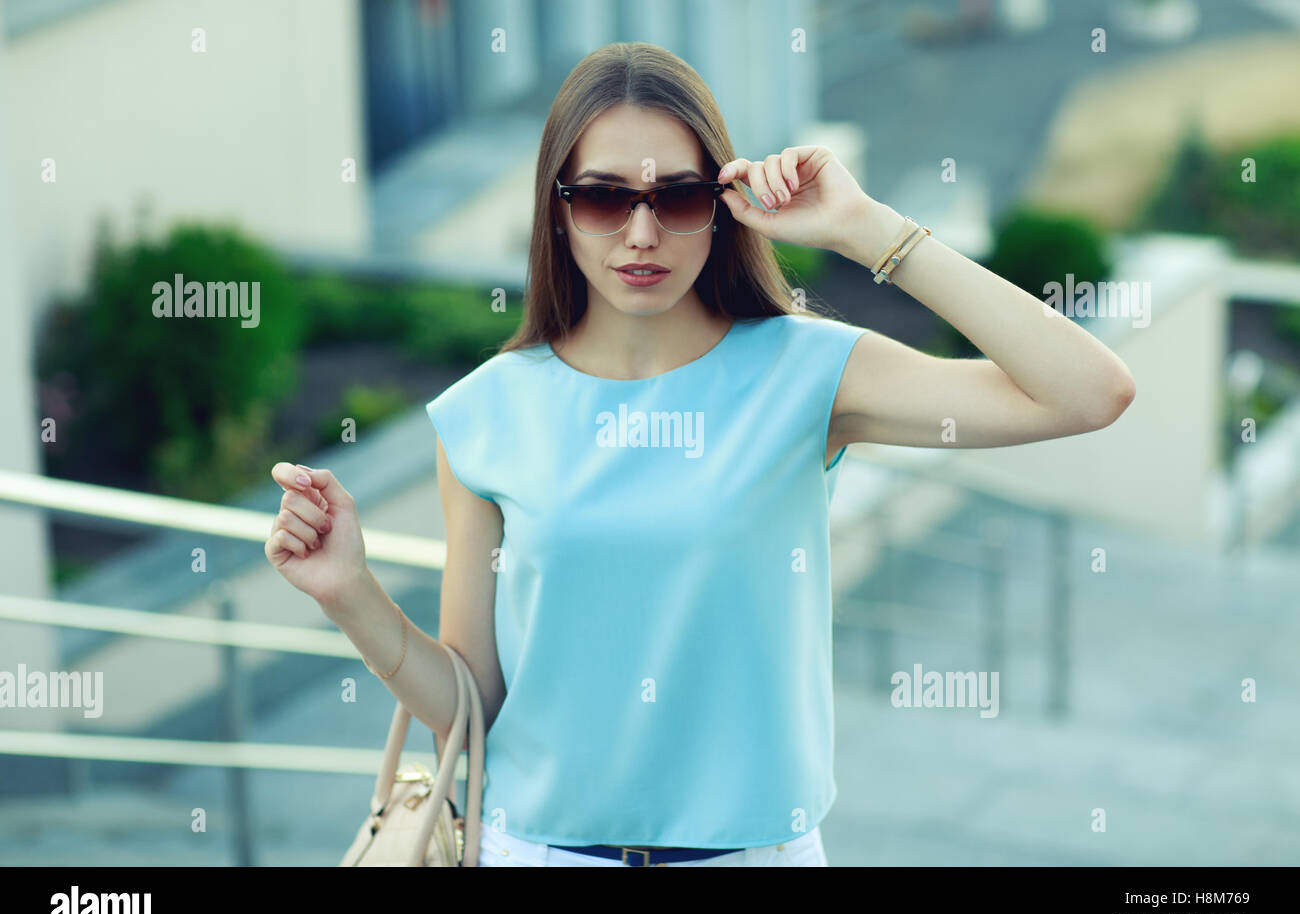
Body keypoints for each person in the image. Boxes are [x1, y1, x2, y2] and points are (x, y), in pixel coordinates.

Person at [264, 42, 1135, 867]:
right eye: (605, 198)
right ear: (557, 210)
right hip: (537, 851)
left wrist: (868, 230)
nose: (641, 235)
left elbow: (1087, 393)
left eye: (677, 198)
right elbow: (473, 709)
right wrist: (350, 594)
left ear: (720, 209)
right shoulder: (489, 411)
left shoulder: (805, 373)